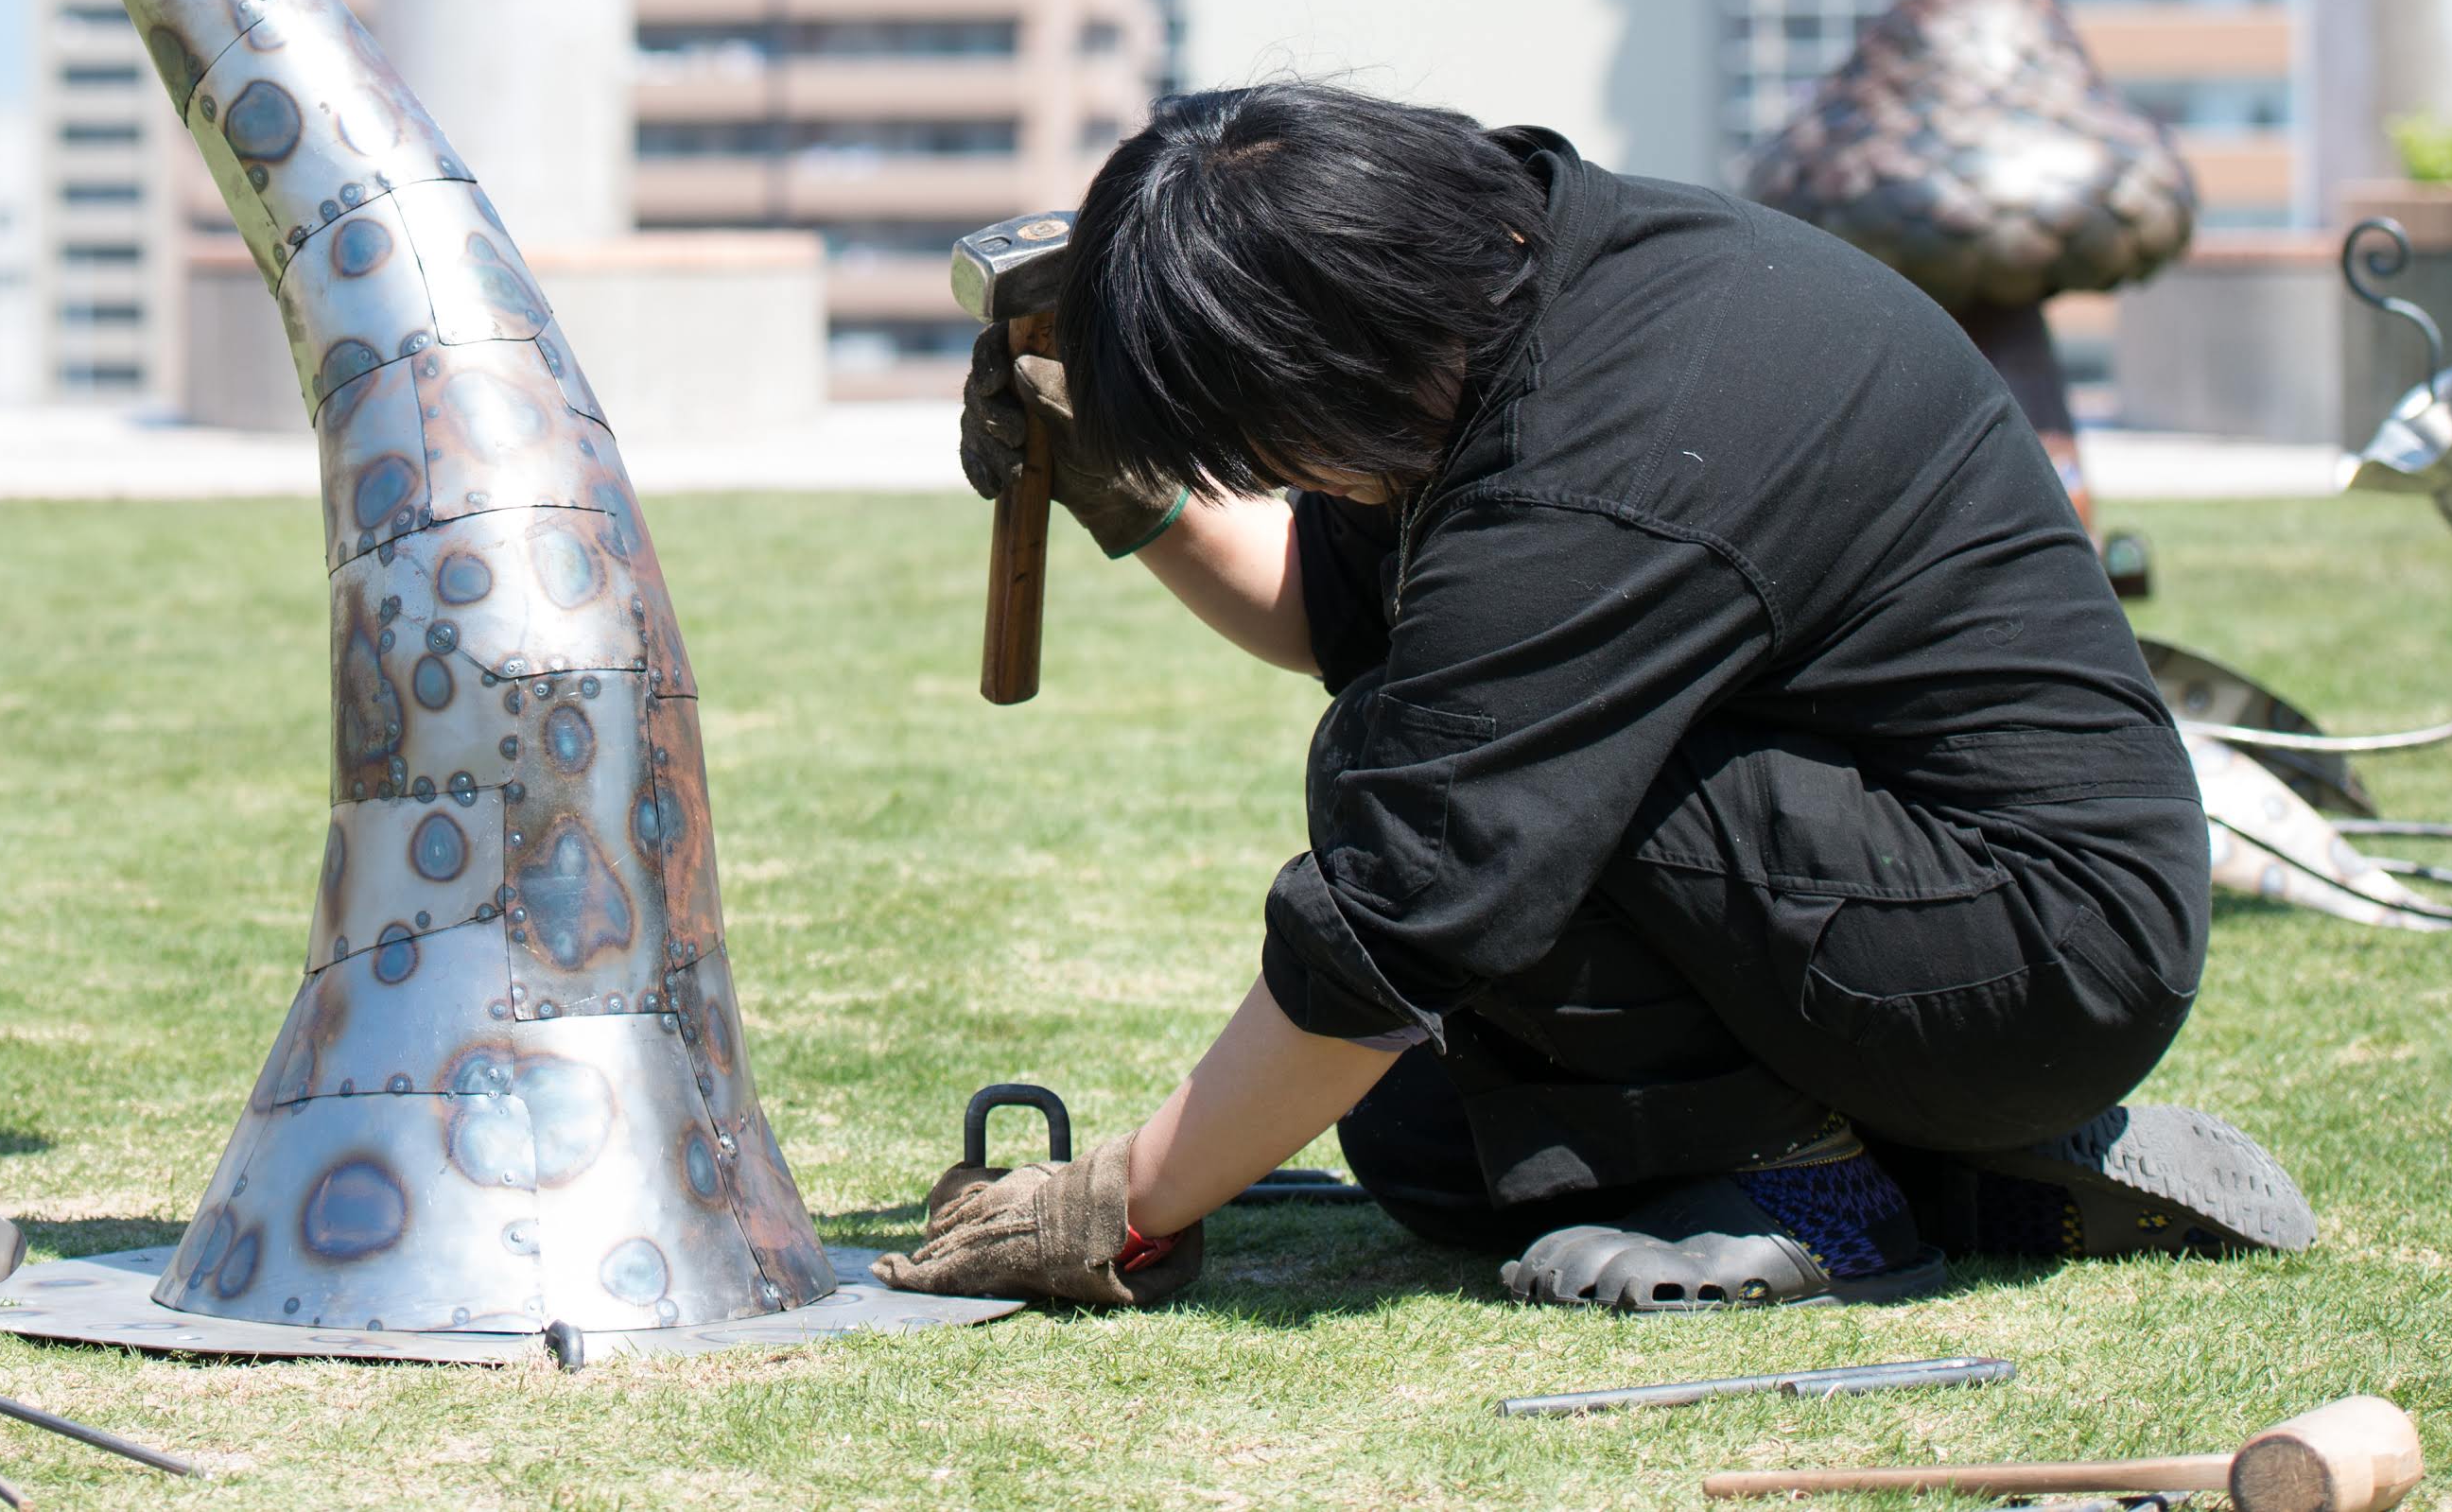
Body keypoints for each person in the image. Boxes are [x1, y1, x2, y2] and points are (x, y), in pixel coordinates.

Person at [875, 83, 2305, 1314]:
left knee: (1438, 797)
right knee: (1435, 1147)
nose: (1279, 477)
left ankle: (1809, 1197)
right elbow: (1341, 614)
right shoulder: (1498, 298)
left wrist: (1126, 1201)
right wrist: (1131, 487)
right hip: (1904, 888)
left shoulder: (1598, 457)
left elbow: (1410, 889)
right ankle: (1948, 1176)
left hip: (2035, 940)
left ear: (1333, 361)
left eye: (1265, 440)